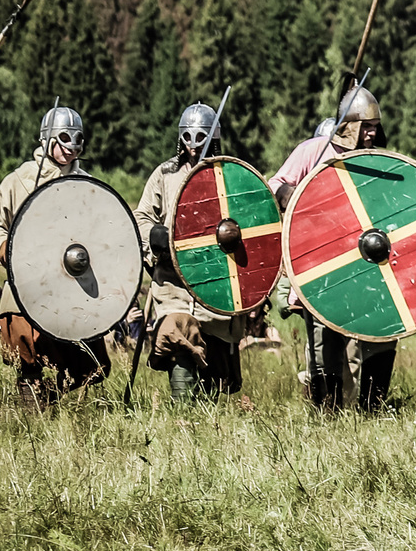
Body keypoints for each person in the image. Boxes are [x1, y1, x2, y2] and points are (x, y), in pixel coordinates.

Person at [273, 85, 399, 412]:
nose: (373, 133)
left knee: (381, 332)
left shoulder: (377, 160)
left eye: (376, 126)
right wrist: (292, 195)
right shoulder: (314, 150)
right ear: (349, 124)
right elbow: (275, 186)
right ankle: (327, 411)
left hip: (368, 264)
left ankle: (372, 407)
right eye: (366, 126)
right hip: (323, 264)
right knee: (324, 340)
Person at [0, 106, 111, 404]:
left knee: (89, 364)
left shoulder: (87, 184)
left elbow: (105, 233)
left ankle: (51, 398)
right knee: (25, 345)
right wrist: (5, 248)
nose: (71, 147)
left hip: (72, 286)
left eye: (77, 139)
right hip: (27, 283)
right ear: (47, 138)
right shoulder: (20, 180)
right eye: (64, 138)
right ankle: (31, 406)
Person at [134, 102, 254, 403]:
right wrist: (155, 236)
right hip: (174, 282)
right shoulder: (165, 174)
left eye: (201, 137)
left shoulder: (228, 175)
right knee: (177, 333)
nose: (193, 145)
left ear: (213, 137)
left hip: (217, 281)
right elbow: (142, 216)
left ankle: (205, 413)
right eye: (188, 137)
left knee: (215, 356)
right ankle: (182, 409)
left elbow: (252, 222)